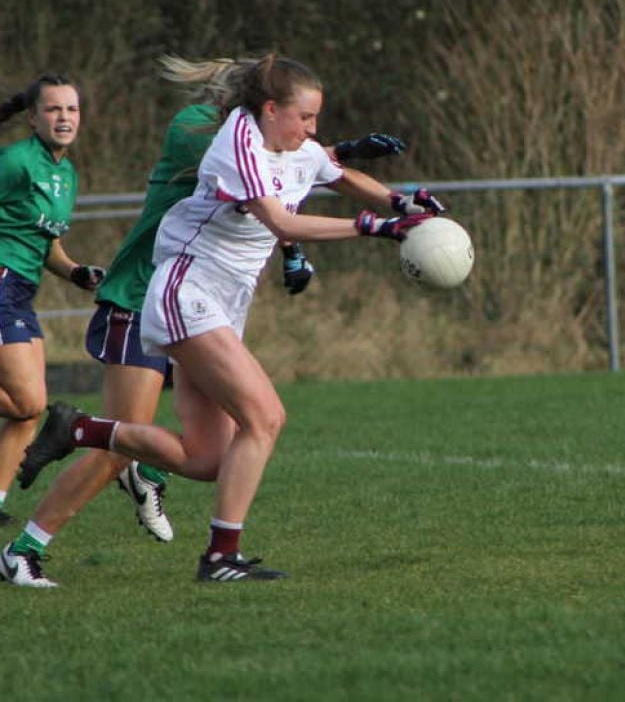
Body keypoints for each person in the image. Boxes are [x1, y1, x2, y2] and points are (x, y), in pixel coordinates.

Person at [1, 54, 441, 587]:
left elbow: (327, 170)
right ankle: (218, 556)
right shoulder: (222, 137)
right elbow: (279, 211)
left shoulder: (285, 140)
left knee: (207, 456)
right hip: (175, 293)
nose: (313, 129)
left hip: (213, 302)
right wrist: (373, 226)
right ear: (268, 103)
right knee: (265, 418)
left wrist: (402, 198)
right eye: (305, 116)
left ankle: (77, 430)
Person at [0, 74, 105, 529]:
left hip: (22, 289)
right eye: (53, 109)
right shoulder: (17, 162)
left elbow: (47, 247)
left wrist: (77, 271)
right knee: (28, 400)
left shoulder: (66, 173)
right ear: (32, 116)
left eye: (71, 109)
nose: (64, 117)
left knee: (29, 411)